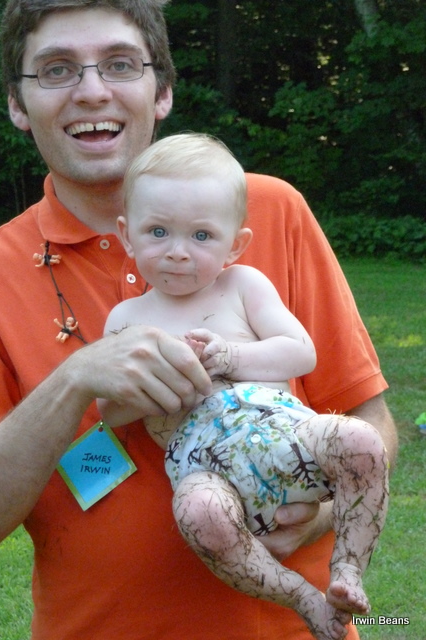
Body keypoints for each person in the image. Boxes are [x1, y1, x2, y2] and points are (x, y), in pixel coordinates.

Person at [0, 2, 397, 639]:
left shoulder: (270, 209)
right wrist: (74, 381)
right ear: (18, 104)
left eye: (120, 64)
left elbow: (370, 421)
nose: (92, 91)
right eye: (56, 69)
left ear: (162, 91)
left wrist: (316, 512)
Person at [98, 133, 390, 640]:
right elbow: (110, 411)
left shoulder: (243, 286)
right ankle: (300, 595)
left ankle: (346, 568)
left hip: (286, 436)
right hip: (204, 466)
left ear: (235, 244)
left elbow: (301, 351)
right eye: (158, 232)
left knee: (361, 441)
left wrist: (231, 357)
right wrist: (161, 386)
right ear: (127, 235)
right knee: (198, 512)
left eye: (202, 236)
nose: (178, 253)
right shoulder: (126, 319)